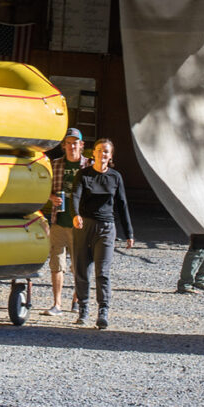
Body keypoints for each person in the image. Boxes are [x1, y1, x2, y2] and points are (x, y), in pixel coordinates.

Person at [71, 137, 135, 329]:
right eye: (99, 150)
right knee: (82, 268)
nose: (102, 154)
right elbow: (75, 195)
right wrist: (76, 215)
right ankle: (83, 308)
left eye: (106, 151)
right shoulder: (83, 175)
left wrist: (129, 232)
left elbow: (122, 205)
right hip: (85, 226)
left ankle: (103, 311)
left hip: (107, 227)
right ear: (93, 153)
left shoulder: (115, 177)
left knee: (103, 271)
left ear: (110, 156)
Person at [42, 127, 87, 315]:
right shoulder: (56, 164)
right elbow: (45, 187)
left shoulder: (88, 167)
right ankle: (57, 303)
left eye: (75, 143)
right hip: (59, 220)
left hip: (79, 225)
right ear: (64, 146)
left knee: (79, 265)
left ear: (82, 145)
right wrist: (51, 197)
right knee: (56, 264)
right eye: (68, 143)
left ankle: (76, 300)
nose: (72, 146)